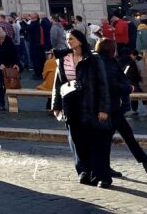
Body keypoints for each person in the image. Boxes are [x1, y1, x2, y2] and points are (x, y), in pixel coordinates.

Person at [53, 29, 113, 187]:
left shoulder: (93, 58)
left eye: (71, 39)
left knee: (95, 141)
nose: (68, 42)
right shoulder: (63, 59)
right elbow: (57, 83)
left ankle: (101, 175)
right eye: (67, 39)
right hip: (70, 105)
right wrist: (56, 105)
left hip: (91, 104)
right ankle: (84, 171)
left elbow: (102, 84)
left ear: (80, 40)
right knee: (76, 139)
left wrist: (103, 108)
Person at [96, 39, 147, 176]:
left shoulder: (101, 61)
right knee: (112, 139)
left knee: (122, 136)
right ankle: (105, 170)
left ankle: (146, 162)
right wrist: (127, 88)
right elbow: (113, 84)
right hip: (110, 108)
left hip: (109, 107)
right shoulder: (109, 62)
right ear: (111, 49)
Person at [0, 27, 20, 111]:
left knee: (10, 86)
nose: (1, 40)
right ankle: (1, 104)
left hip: (9, 67)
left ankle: (12, 104)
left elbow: (14, 53)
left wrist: (16, 63)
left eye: (2, 38)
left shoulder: (8, 40)